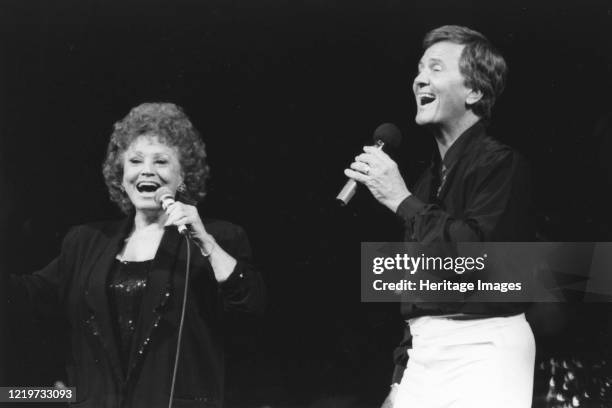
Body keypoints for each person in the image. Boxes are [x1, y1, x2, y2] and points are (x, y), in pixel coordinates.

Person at [8, 102, 266, 407]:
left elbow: (250, 307)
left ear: (183, 176)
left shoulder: (220, 237)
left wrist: (205, 243)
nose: (147, 170)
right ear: (122, 174)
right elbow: (25, 298)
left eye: (161, 161)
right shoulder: (85, 243)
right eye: (135, 160)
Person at [344, 26, 535, 408]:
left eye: (435, 68)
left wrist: (400, 199)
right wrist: (400, 379)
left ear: (475, 91)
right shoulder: (427, 180)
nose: (419, 79)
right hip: (425, 355)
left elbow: (475, 257)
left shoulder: (502, 164)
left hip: (484, 346)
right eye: (418, 69)